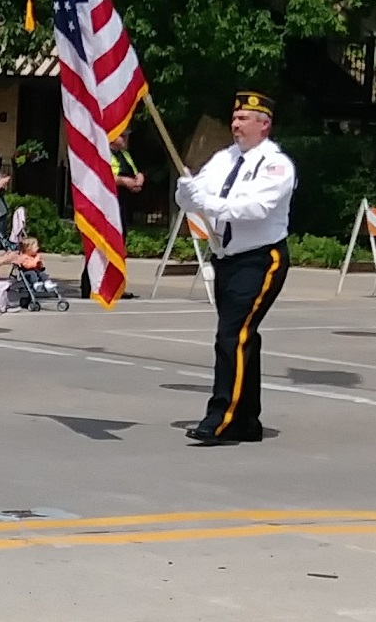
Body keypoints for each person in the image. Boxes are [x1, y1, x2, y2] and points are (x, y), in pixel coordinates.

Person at [174, 91, 297, 446]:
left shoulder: (276, 165)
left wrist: (206, 202)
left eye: (244, 119)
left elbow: (255, 208)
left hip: (260, 259)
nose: (236, 124)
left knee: (232, 336)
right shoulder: (223, 159)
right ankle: (246, 420)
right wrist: (186, 192)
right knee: (243, 339)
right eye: (234, 117)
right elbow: (193, 197)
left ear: (264, 124)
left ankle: (221, 417)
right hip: (226, 259)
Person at [83, 132, 145, 299]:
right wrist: (124, 181)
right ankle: (92, 286)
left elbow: (133, 171)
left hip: (122, 202)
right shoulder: (103, 153)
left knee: (118, 243)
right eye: (122, 136)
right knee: (101, 244)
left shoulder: (124, 154)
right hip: (105, 203)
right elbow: (102, 176)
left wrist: (139, 177)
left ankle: (114, 286)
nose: (125, 139)